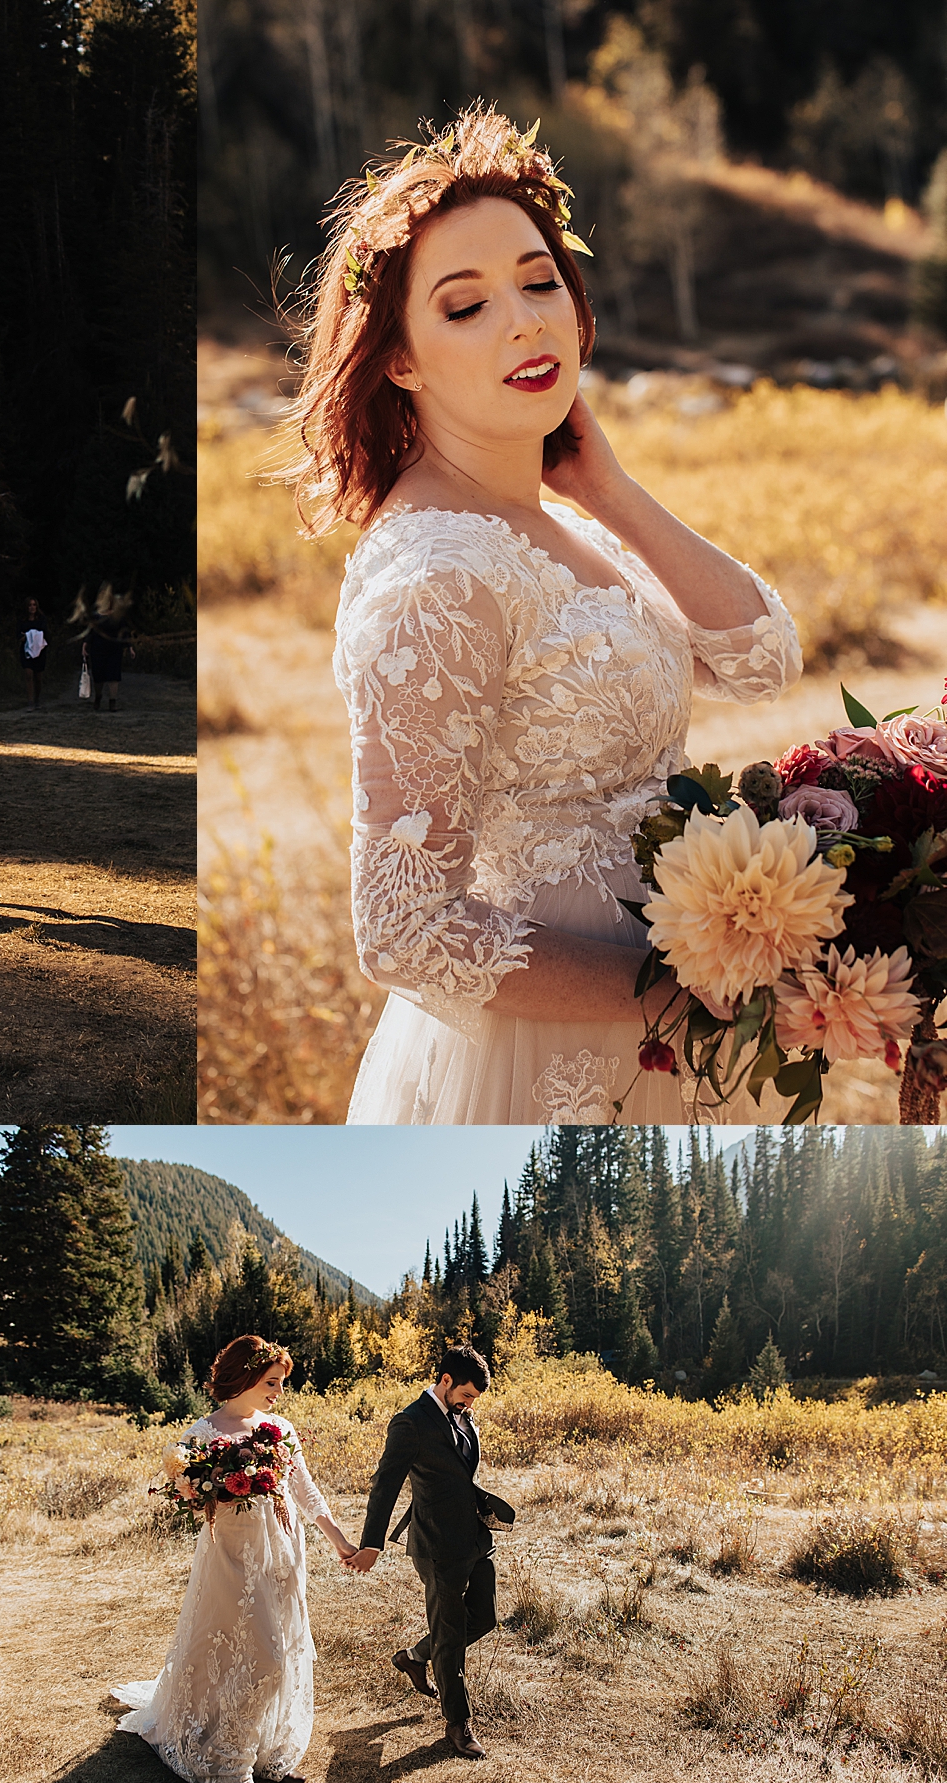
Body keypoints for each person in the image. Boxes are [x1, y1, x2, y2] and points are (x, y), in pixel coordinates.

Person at [288, 105, 803, 1123]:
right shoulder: (434, 571)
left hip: (665, 1041)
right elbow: (402, 926)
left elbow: (762, 657)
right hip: (534, 1060)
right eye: (465, 305)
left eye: (539, 281)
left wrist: (609, 488)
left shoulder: (574, 526)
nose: (526, 321)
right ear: (400, 358)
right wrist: (670, 988)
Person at [112, 1336, 357, 1783]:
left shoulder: (280, 1428)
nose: (278, 1392)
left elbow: (306, 1492)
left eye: (281, 1383)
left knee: (281, 1650)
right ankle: (227, 1763)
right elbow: (183, 1492)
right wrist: (205, 1489)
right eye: (272, 1382)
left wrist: (340, 1540)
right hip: (230, 1556)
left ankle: (266, 1750)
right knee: (246, 1653)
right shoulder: (201, 1435)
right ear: (244, 1377)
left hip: (281, 1552)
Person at [347, 1342, 511, 1762]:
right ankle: (457, 1724)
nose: (470, 1403)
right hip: (437, 1546)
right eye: (467, 1395)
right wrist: (371, 1544)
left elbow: (459, 1472)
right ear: (446, 1381)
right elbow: (384, 1486)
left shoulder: (462, 1416)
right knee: (451, 1633)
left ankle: (416, 1656)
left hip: (475, 1540)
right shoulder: (410, 1423)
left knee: (484, 1617)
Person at [82, 609, 130, 711]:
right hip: (98, 649)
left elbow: (124, 632)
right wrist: (85, 644)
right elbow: (90, 631)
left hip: (114, 649)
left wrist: (129, 647)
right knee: (98, 676)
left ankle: (112, 702)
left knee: (114, 676)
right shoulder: (95, 616)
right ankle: (98, 697)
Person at [19, 596, 49, 709]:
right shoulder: (22, 620)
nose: (32, 607)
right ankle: (30, 700)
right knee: (28, 674)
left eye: (34, 605)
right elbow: (18, 634)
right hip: (26, 651)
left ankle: (37, 698)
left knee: (38, 677)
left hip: (40, 651)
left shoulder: (41, 619)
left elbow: (45, 633)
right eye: (30, 605)